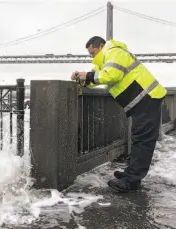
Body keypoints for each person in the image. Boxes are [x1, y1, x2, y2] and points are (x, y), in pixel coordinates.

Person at [71, 36, 167, 192]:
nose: (92, 56)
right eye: (90, 54)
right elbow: (97, 77)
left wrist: (88, 76)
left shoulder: (114, 52)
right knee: (138, 139)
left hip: (148, 98)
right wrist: (83, 79)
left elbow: (111, 75)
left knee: (142, 141)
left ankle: (131, 182)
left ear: (101, 46)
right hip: (142, 102)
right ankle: (130, 174)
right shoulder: (104, 61)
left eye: (93, 52)